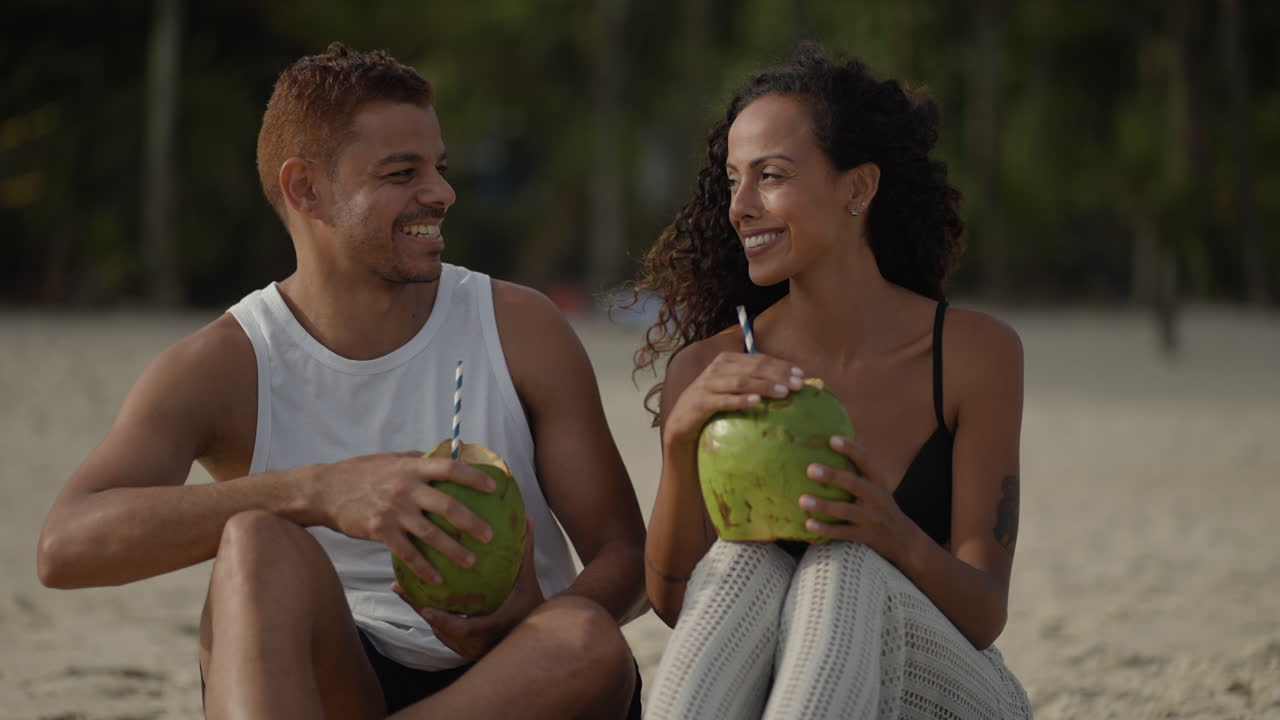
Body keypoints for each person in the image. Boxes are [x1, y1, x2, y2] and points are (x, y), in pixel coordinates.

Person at [36, 43, 647, 720]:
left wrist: (532, 620)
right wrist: (321, 492)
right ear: (306, 189)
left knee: (586, 639)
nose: (441, 193)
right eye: (402, 172)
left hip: (517, 684)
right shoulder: (225, 363)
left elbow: (625, 556)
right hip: (336, 682)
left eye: (439, 168)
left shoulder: (518, 326)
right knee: (256, 544)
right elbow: (66, 546)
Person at [631, 44, 1033, 719]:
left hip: (948, 691)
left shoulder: (973, 354)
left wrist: (889, 532)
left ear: (858, 188)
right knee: (742, 564)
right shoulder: (709, 372)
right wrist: (679, 445)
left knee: (845, 565)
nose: (740, 206)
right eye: (733, 180)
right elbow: (678, 607)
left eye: (771, 176)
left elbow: (985, 613)